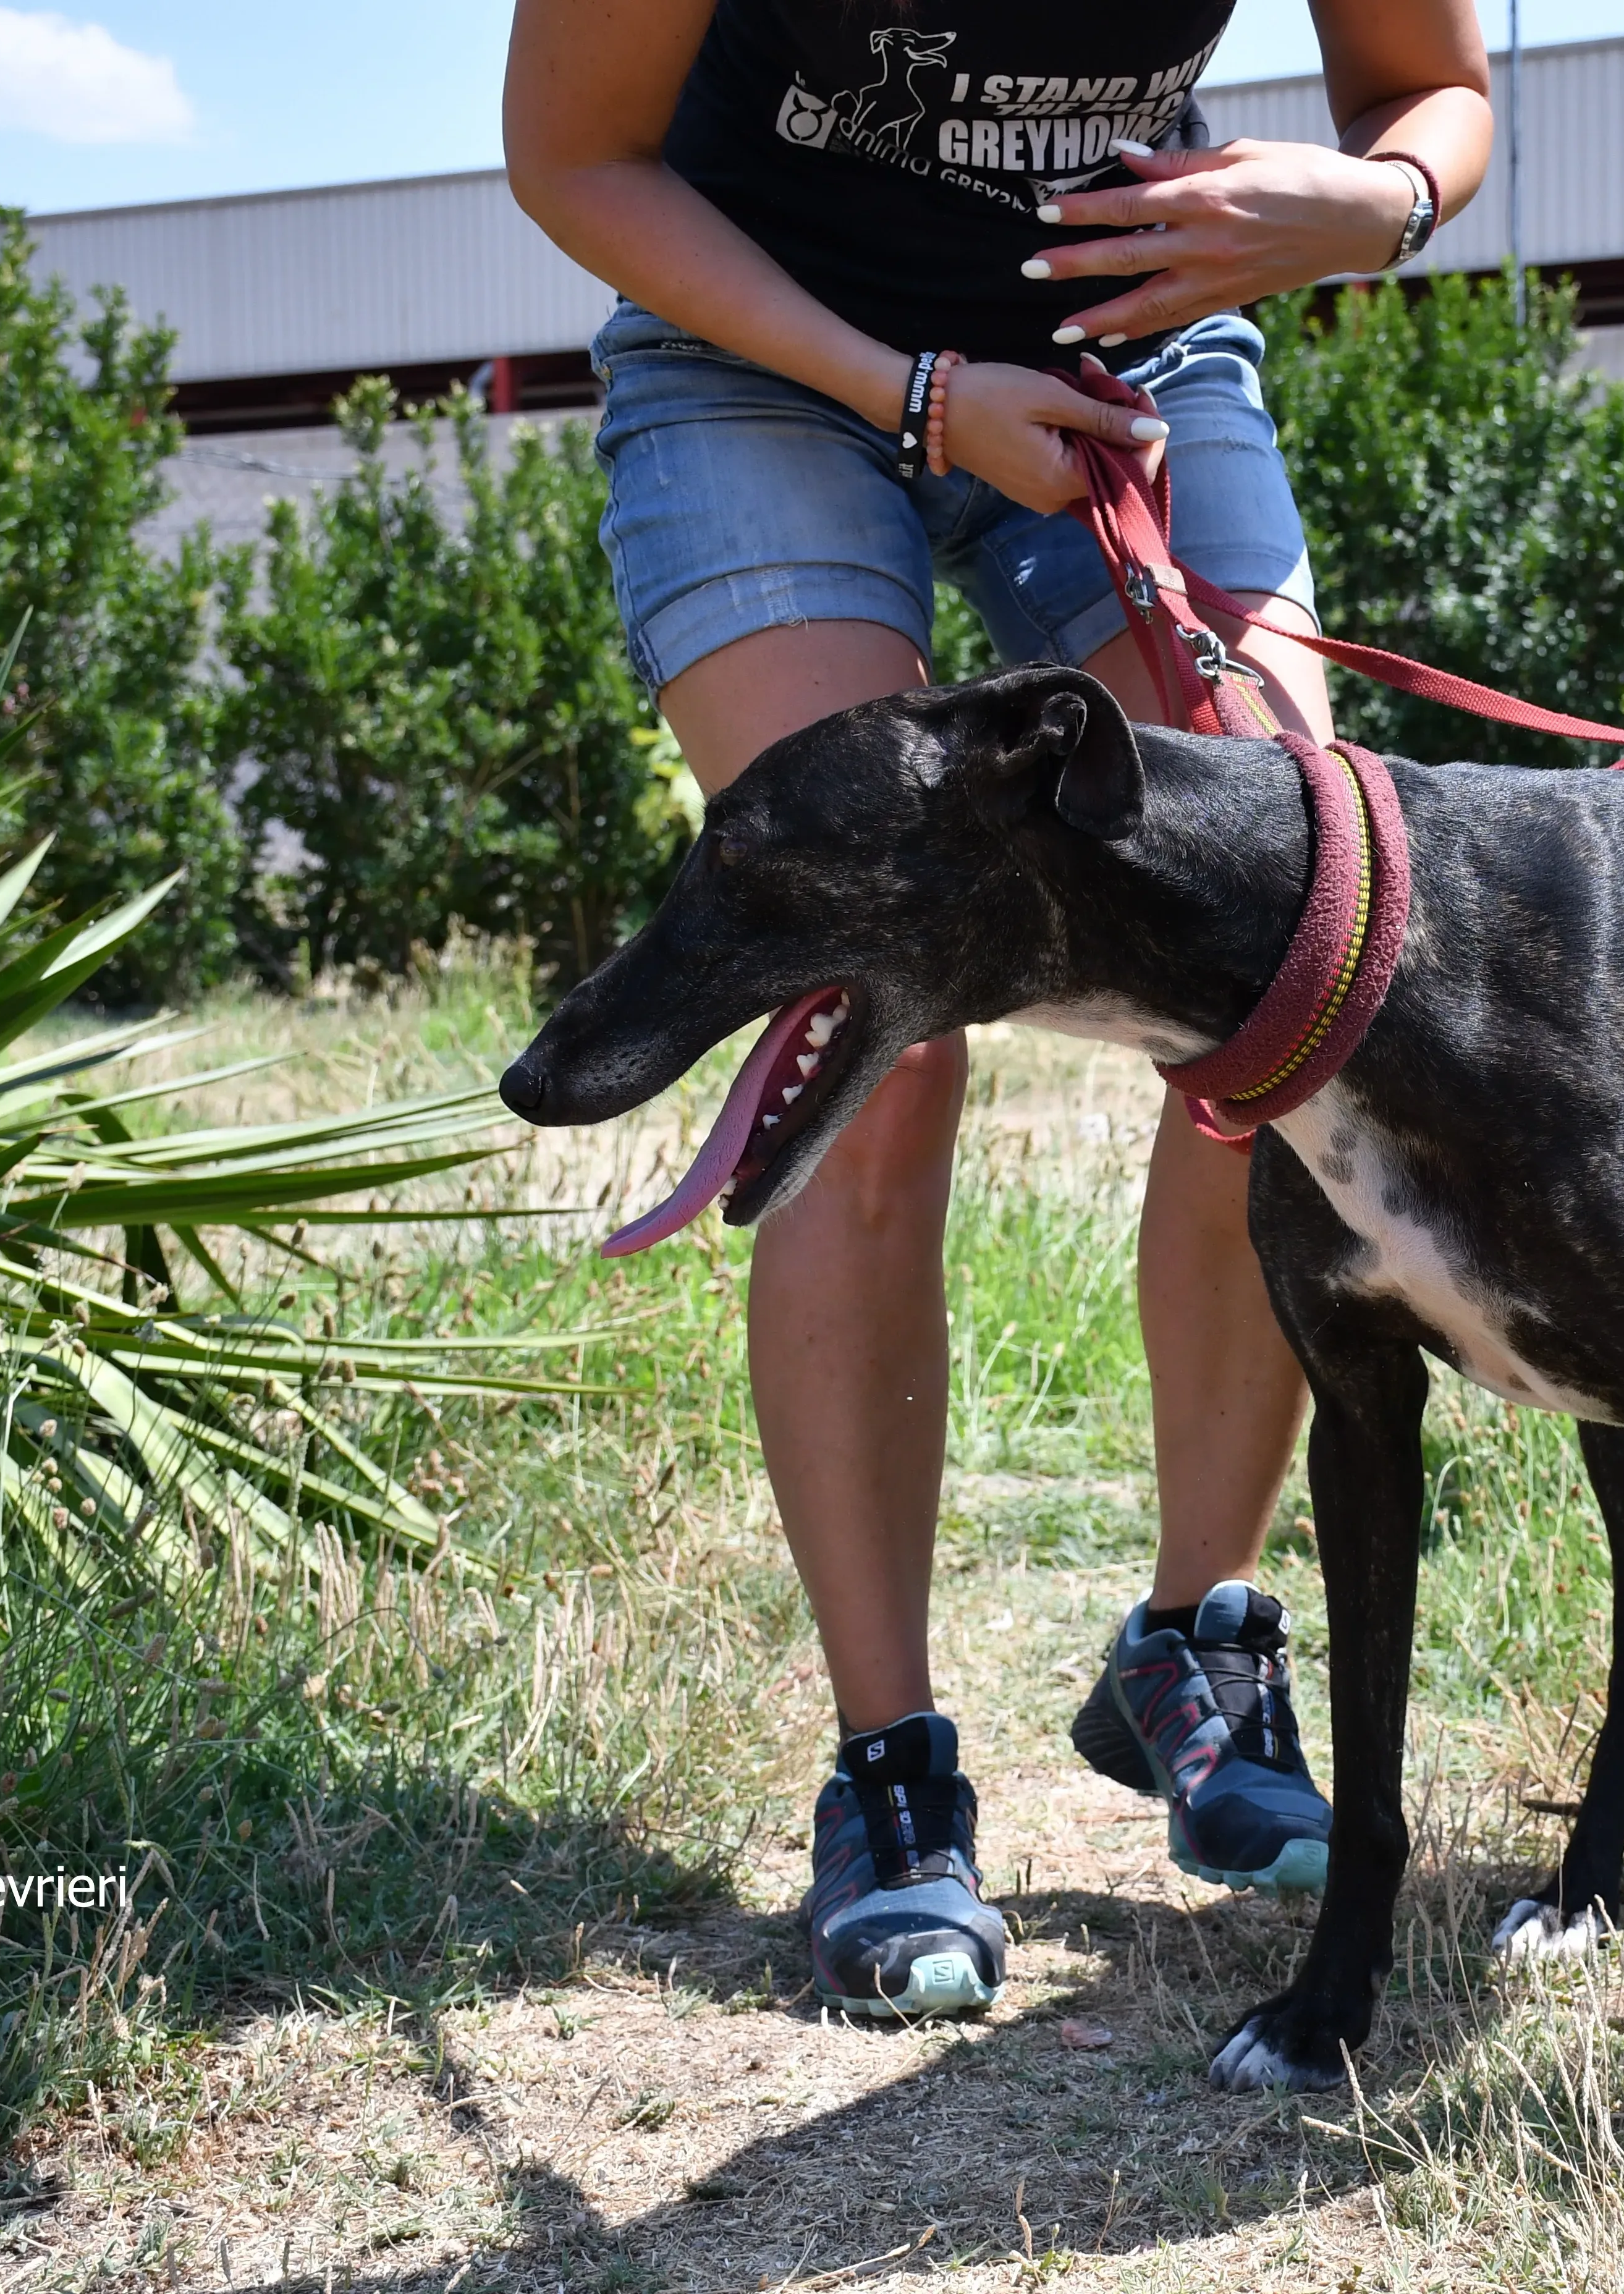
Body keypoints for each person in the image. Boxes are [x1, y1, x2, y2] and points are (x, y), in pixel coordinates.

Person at [504, 0, 1491, 2018]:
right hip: (763, 358)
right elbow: (571, 151)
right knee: (878, 1000)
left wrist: (1372, 204)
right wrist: (913, 387)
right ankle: (892, 1776)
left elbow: (1432, 94)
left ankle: (1190, 1647)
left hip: (1134, 361)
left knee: (1277, 953)